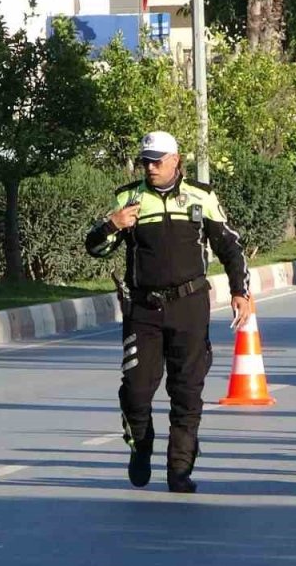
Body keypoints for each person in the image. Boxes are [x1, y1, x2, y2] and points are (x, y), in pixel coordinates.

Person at [84, 131, 251, 494]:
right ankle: (140, 444)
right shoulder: (128, 198)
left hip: (189, 305)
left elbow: (230, 246)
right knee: (136, 390)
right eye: (145, 161)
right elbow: (94, 248)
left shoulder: (201, 196)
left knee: (187, 390)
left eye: (157, 161)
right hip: (144, 308)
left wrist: (241, 290)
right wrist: (113, 225)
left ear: (176, 160)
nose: (150, 167)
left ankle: (179, 469)